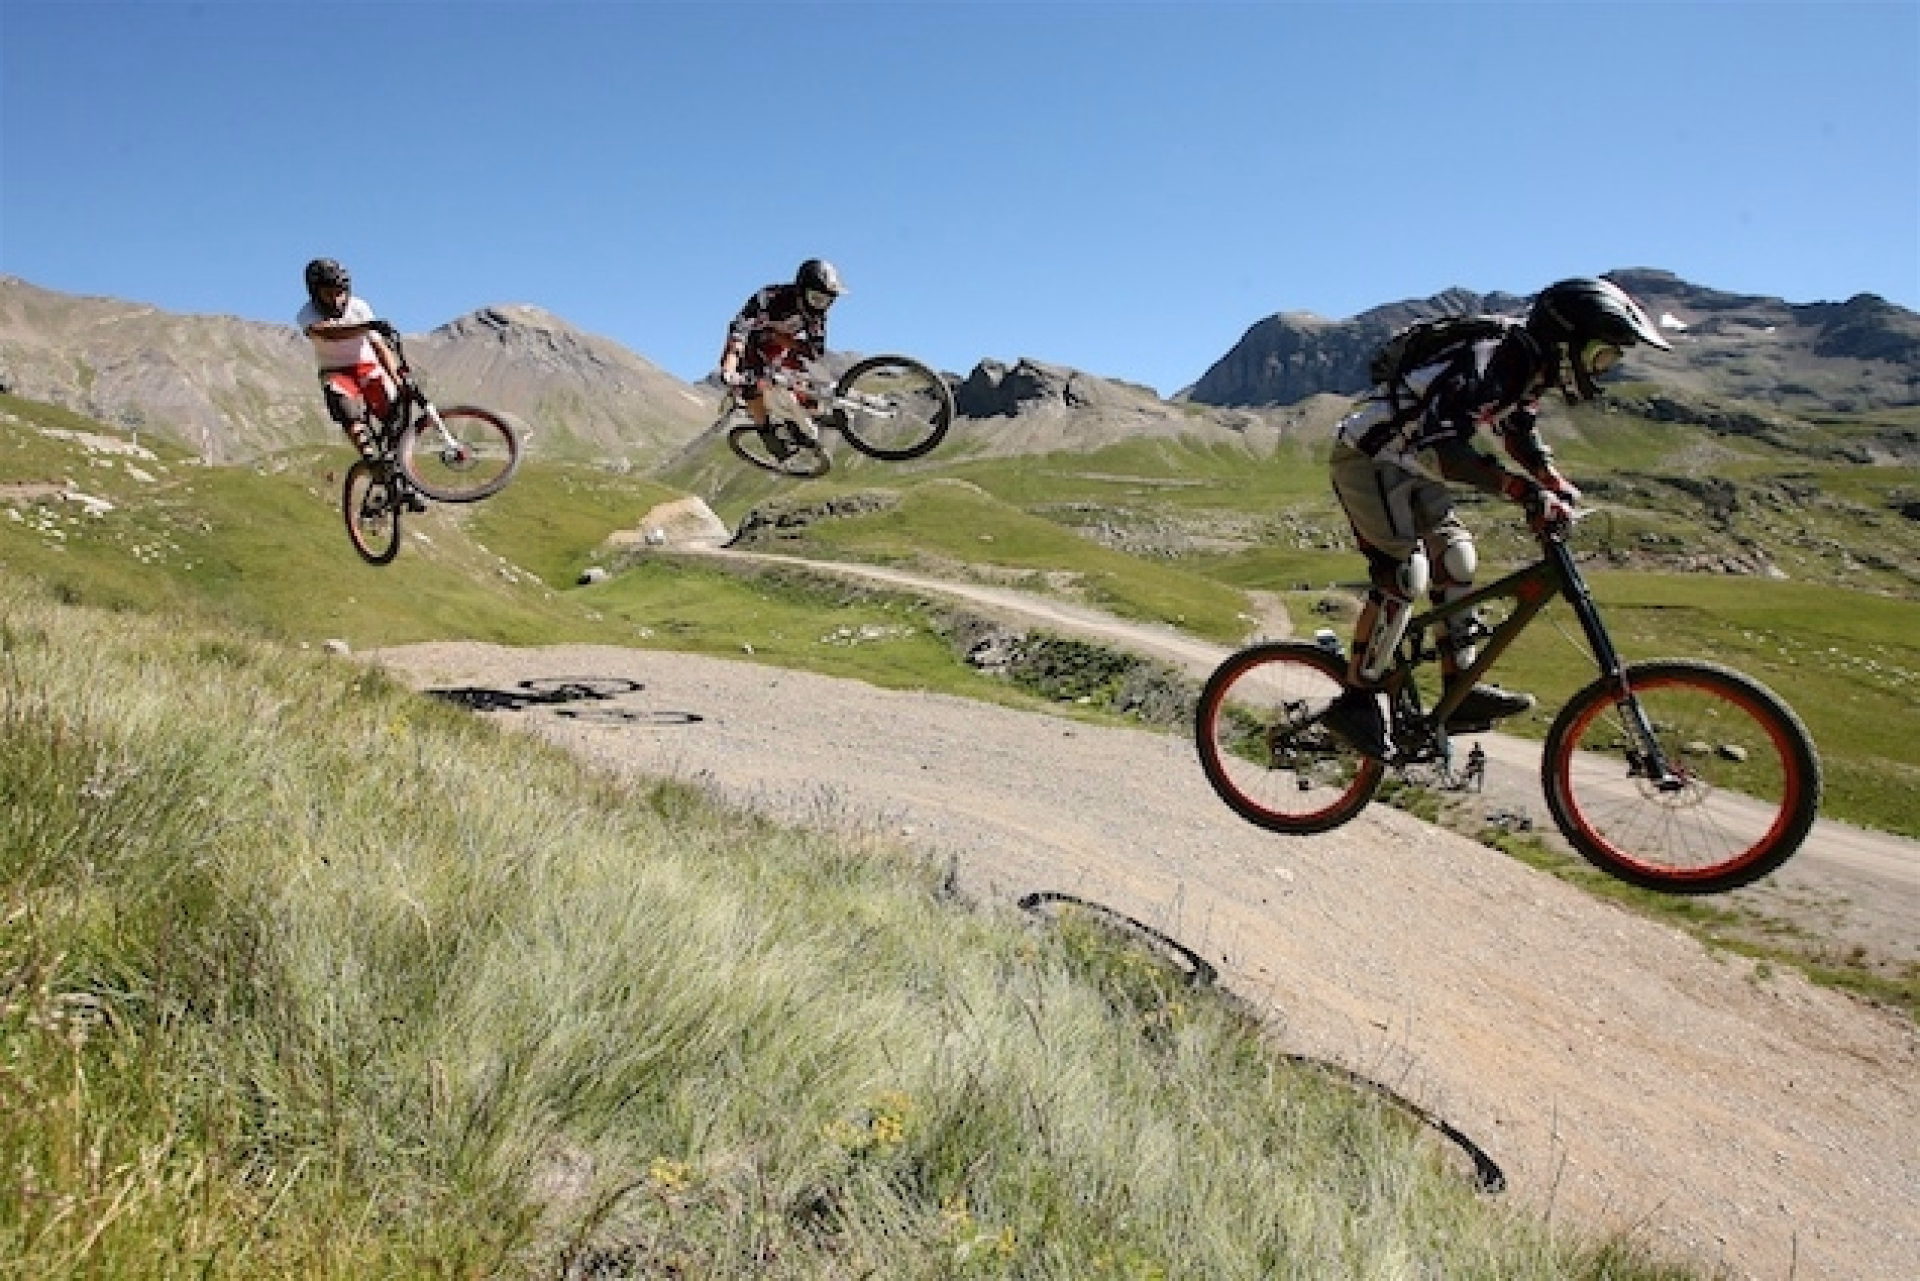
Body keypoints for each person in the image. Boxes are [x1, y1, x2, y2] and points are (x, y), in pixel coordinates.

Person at [1321, 276, 1672, 759]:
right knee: (1405, 573)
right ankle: (1356, 699)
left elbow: (1518, 431)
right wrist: (1522, 490)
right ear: (1568, 339)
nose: (1601, 371)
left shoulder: (1528, 365)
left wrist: (1554, 483)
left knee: (1459, 560)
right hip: (1370, 457)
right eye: (1600, 357)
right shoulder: (1489, 359)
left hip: (1411, 460)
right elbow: (1445, 452)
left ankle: (1458, 687)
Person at [295, 257, 424, 508]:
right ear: (314, 292)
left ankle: (404, 481)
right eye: (329, 293)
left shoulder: (360, 307)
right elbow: (328, 334)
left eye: (340, 293)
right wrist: (365, 326)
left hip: (366, 367)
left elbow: (378, 346)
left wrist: (396, 378)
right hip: (336, 371)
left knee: (396, 417)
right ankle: (370, 460)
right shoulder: (307, 314)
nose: (336, 300)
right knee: (347, 410)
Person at [716, 258, 845, 453]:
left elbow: (814, 351)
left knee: (800, 375)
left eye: (827, 301)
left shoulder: (817, 316)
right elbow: (739, 331)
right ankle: (766, 434)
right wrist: (729, 367)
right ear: (801, 290)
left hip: (778, 344)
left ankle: (807, 416)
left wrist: (784, 341)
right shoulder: (770, 297)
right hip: (750, 343)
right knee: (751, 385)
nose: (821, 306)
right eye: (816, 299)